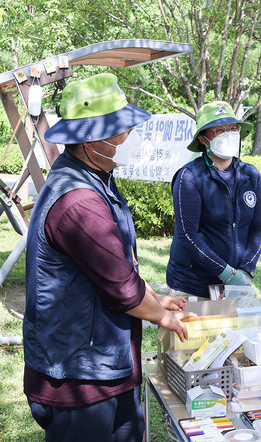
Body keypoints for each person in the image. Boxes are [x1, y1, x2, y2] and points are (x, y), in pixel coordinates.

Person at [23, 73, 195, 442]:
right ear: (89, 139)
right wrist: (162, 316)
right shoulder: (79, 201)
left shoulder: (94, 177)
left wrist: (154, 295)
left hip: (105, 364)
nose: (127, 139)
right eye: (119, 132)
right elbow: (120, 289)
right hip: (80, 378)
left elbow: (114, 264)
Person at [166, 101, 261, 298]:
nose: (228, 134)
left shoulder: (250, 175)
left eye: (232, 128)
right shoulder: (190, 176)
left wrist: (245, 270)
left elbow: (258, 228)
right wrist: (227, 274)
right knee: (190, 330)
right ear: (203, 139)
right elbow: (188, 235)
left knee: (232, 330)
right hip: (191, 284)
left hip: (236, 284)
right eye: (219, 130)